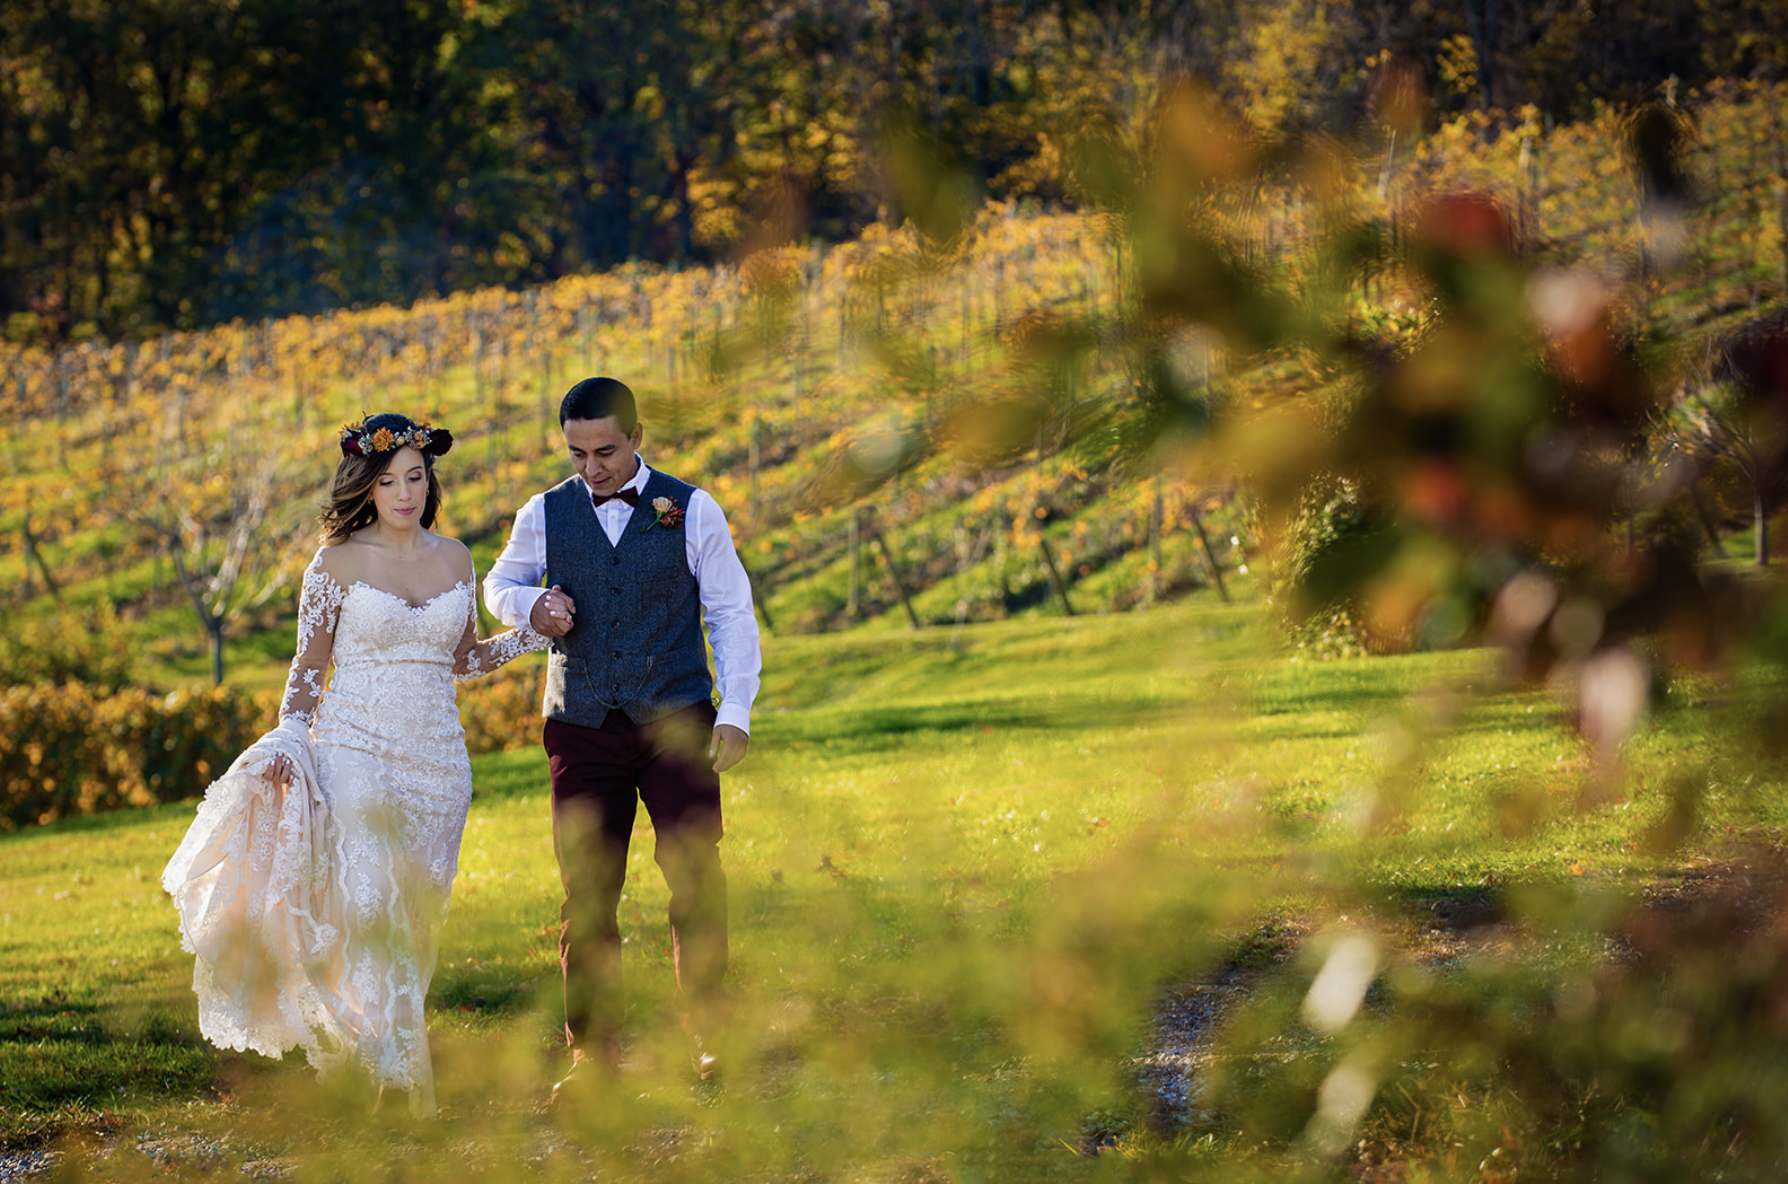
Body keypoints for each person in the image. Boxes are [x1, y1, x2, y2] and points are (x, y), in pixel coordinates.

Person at [161, 413, 548, 1117]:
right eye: (389, 481)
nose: (404, 493)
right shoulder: (334, 564)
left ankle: (382, 1066)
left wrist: (531, 634)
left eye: (416, 478)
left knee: (413, 926)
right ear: (365, 486)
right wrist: (290, 737)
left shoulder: (457, 559)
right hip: (354, 749)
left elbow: (465, 659)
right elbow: (308, 668)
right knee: (371, 900)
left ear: (429, 482)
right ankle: (395, 1081)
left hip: (439, 767)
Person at [484, 376, 760, 1094]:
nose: (592, 468)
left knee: (696, 877)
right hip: (579, 727)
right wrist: (531, 605)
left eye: (605, 451)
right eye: (577, 454)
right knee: (587, 892)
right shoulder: (544, 512)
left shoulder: (693, 509)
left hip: (677, 721)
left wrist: (735, 710)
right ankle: (592, 1053)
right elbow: (497, 585)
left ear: (636, 437)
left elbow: (730, 613)